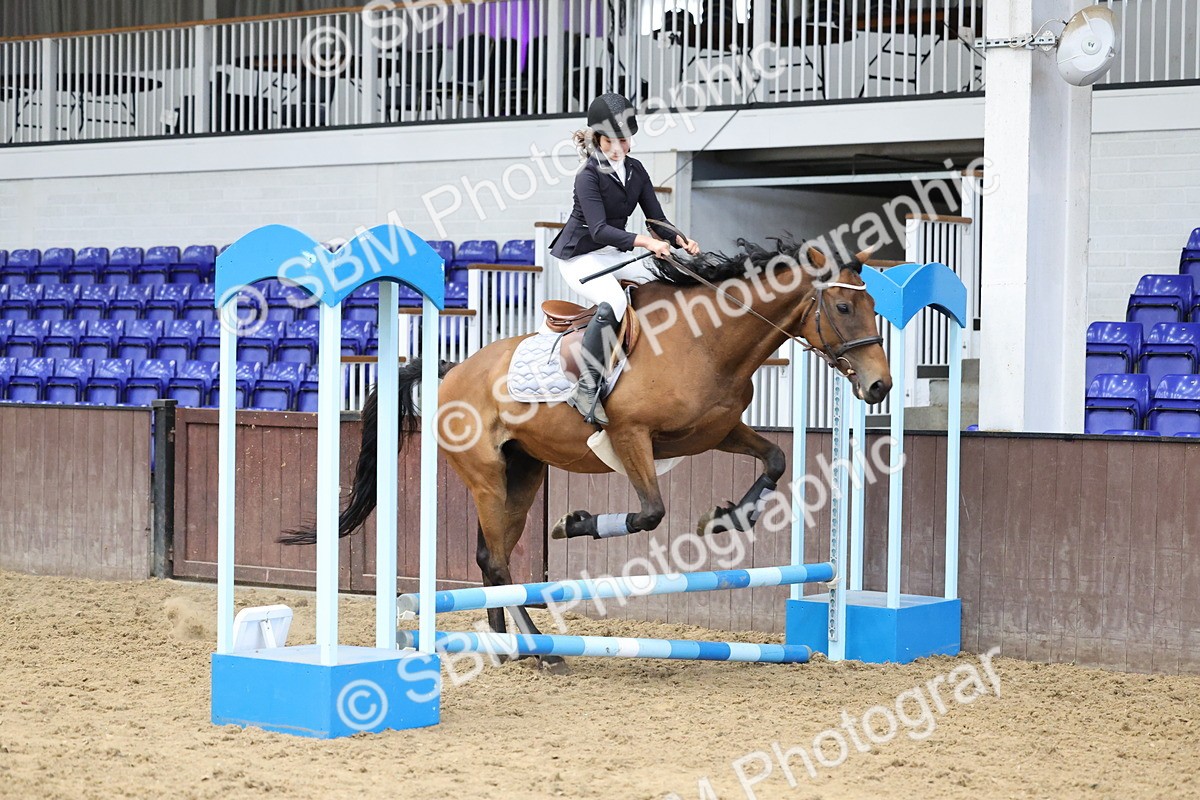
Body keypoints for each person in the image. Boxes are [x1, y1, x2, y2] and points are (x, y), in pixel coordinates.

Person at [550, 92, 701, 426]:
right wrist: (646, 242)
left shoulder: (635, 170)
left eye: (624, 139)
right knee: (615, 303)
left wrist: (679, 239)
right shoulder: (587, 176)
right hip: (581, 258)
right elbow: (601, 230)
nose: (618, 148)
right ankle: (586, 387)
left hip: (614, 254)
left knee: (663, 287)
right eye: (611, 141)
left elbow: (655, 218)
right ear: (598, 139)